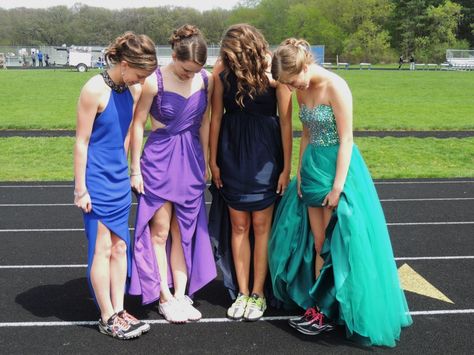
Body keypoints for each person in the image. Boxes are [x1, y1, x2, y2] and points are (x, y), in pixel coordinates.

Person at [268, 38, 412, 347]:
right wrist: (300, 173)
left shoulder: (336, 86)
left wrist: (338, 186)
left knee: (342, 244)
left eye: (293, 81)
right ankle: (321, 309)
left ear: (305, 66)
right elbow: (305, 133)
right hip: (313, 168)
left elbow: (347, 139)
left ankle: (342, 310)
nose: (292, 88)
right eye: (288, 84)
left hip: (339, 169)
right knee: (319, 243)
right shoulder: (301, 89)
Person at [128, 24, 217, 324]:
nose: (189, 75)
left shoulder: (206, 80)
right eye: (184, 70)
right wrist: (134, 168)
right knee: (160, 231)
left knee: (184, 231)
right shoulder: (153, 81)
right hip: (159, 160)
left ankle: (181, 294)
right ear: (175, 57)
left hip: (190, 160)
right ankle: (163, 297)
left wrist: (205, 160)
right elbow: (138, 124)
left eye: (194, 71)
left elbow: (205, 122)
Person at [74, 31, 157, 339]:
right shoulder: (93, 90)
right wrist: (80, 188)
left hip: (118, 179)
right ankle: (107, 316)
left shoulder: (131, 91)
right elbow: (81, 142)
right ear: (124, 64)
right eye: (139, 73)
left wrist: (129, 171)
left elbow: (124, 135)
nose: (141, 80)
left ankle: (120, 310)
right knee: (102, 248)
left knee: (121, 247)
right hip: (95, 180)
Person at [208, 24, 292, 321]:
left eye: (231, 51)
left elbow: (285, 121)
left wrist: (286, 167)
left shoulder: (273, 67)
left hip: (265, 155)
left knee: (260, 226)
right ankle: (241, 292)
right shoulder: (222, 68)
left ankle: (258, 294)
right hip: (231, 153)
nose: (226, 56)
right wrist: (213, 161)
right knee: (239, 226)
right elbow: (216, 116)